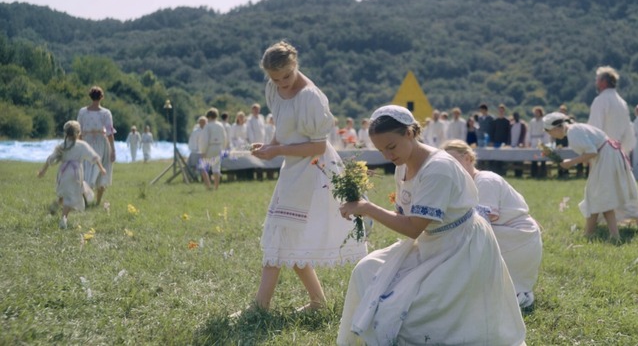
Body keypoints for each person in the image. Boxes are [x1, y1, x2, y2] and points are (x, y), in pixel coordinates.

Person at [337, 105, 525, 345]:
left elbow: (414, 227)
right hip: (430, 243)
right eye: (381, 150)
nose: (387, 155)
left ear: (409, 133)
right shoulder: (402, 166)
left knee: (418, 308)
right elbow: (404, 214)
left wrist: (367, 208)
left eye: (391, 147)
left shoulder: (438, 168)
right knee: (366, 269)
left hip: (461, 248)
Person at [248, 41, 366, 312]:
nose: (282, 84)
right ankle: (317, 301)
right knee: (286, 234)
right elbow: (283, 126)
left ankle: (260, 306)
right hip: (293, 167)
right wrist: (271, 145)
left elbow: (318, 146)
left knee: (282, 231)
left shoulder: (311, 97)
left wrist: (278, 149)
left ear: (295, 64)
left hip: (313, 169)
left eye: (286, 76)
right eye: (275, 79)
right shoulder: (274, 89)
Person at [443, 139, 543, 309]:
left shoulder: (485, 180)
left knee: (460, 242)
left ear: (468, 158)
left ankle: (513, 292)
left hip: (517, 237)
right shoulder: (468, 185)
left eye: (454, 161)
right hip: (510, 235)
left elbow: (483, 221)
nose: (452, 168)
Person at [543, 112, 638, 240]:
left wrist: (570, 162)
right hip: (607, 156)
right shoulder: (576, 128)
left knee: (600, 195)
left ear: (555, 128)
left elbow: (591, 152)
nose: (551, 136)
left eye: (550, 133)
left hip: (607, 158)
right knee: (596, 195)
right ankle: (593, 232)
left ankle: (607, 234)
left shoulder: (573, 132)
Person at [38, 121, 106, 229]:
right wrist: (101, 168)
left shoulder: (62, 145)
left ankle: (56, 206)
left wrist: (43, 171)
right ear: (79, 132)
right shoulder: (81, 145)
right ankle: (64, 218)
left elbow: (50, 159)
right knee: (71, 196)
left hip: (63, 173)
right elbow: (94, 156)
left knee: (66, 193)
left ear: (65, 133)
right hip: (76, 174)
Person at [77, 86, 115, 205]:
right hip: (101, 143)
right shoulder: (106, 113)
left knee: (87, 169)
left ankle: (85, 201)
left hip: (86, 141)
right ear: (101, 97)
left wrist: (78, 145)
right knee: (101, 170)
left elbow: (78, 130)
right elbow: (109, 132)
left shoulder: (82, 112)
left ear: (90, 96)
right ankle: (97, 201)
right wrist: (113, 150)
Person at [587, 66, 636, 154]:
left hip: (603, 154)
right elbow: (629, 132)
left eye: (597, 80)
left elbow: (594, 129)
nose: (596, 83)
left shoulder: (600, 101)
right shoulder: (622, 103)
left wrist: (589, 152)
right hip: (620, 153)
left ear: (604, 82)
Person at [198, 108, 228, 190]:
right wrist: (223, 148)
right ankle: (216, 187)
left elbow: (205, 139)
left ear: (208, 116)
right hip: (219, 147)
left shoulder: (207, 126)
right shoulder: (220, 125)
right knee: (216, 168)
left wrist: (203, 151)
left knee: (203, 166)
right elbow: (224, 138)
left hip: (210, 147)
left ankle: (208, 186)